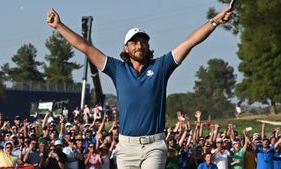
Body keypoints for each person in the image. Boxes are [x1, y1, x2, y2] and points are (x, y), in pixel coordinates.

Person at [46, 6, 232, 169]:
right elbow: (85, 47)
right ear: (126, 48)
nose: (139, 45)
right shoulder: (117, 69)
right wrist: (59, 26)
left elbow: (190, 42)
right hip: (126, 147)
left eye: (143, 41)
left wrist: (215, 21)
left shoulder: (161, 67)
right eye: (134, 42)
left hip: (154, 145)